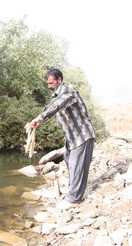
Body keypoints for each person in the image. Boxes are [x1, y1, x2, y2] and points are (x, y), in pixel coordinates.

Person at [25, 68, 96, 210]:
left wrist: (39, 118)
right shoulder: (57, 95)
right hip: (72, 138)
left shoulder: (69, 90)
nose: (49, 86)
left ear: (59, 80)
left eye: (51, 83)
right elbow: (52, 107)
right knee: (70, 162)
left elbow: (57, 106)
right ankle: (73, 191)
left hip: (82, 135)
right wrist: (38, 121)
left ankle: (74, 199)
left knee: (77, 165)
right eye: (48, 84)